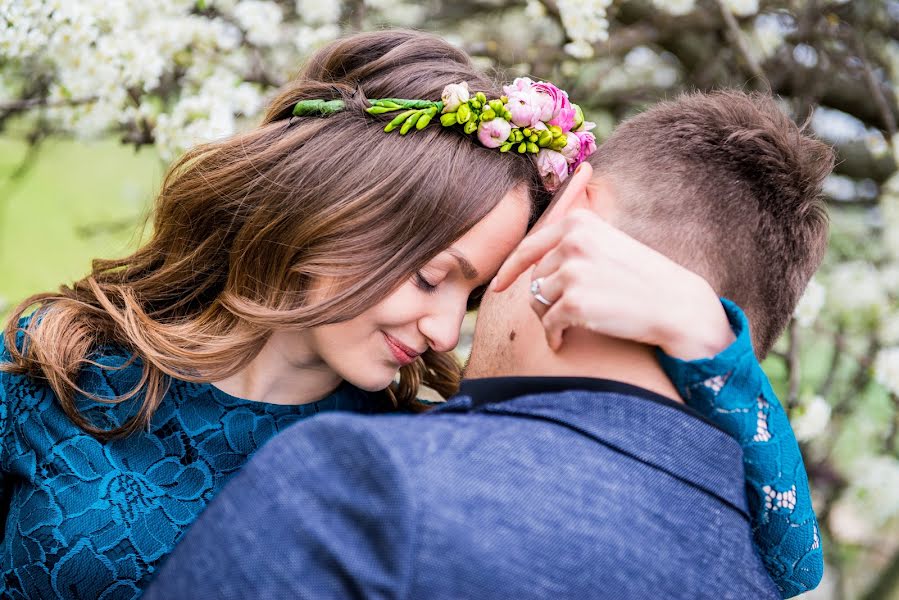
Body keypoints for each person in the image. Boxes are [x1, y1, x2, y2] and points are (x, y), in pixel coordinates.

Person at [143, 90, 833, 599]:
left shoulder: (369, 481)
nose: (446, 332)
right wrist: (713, 345)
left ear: (569, 213)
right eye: (431, 277)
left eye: (466, 288)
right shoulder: (753, 567)